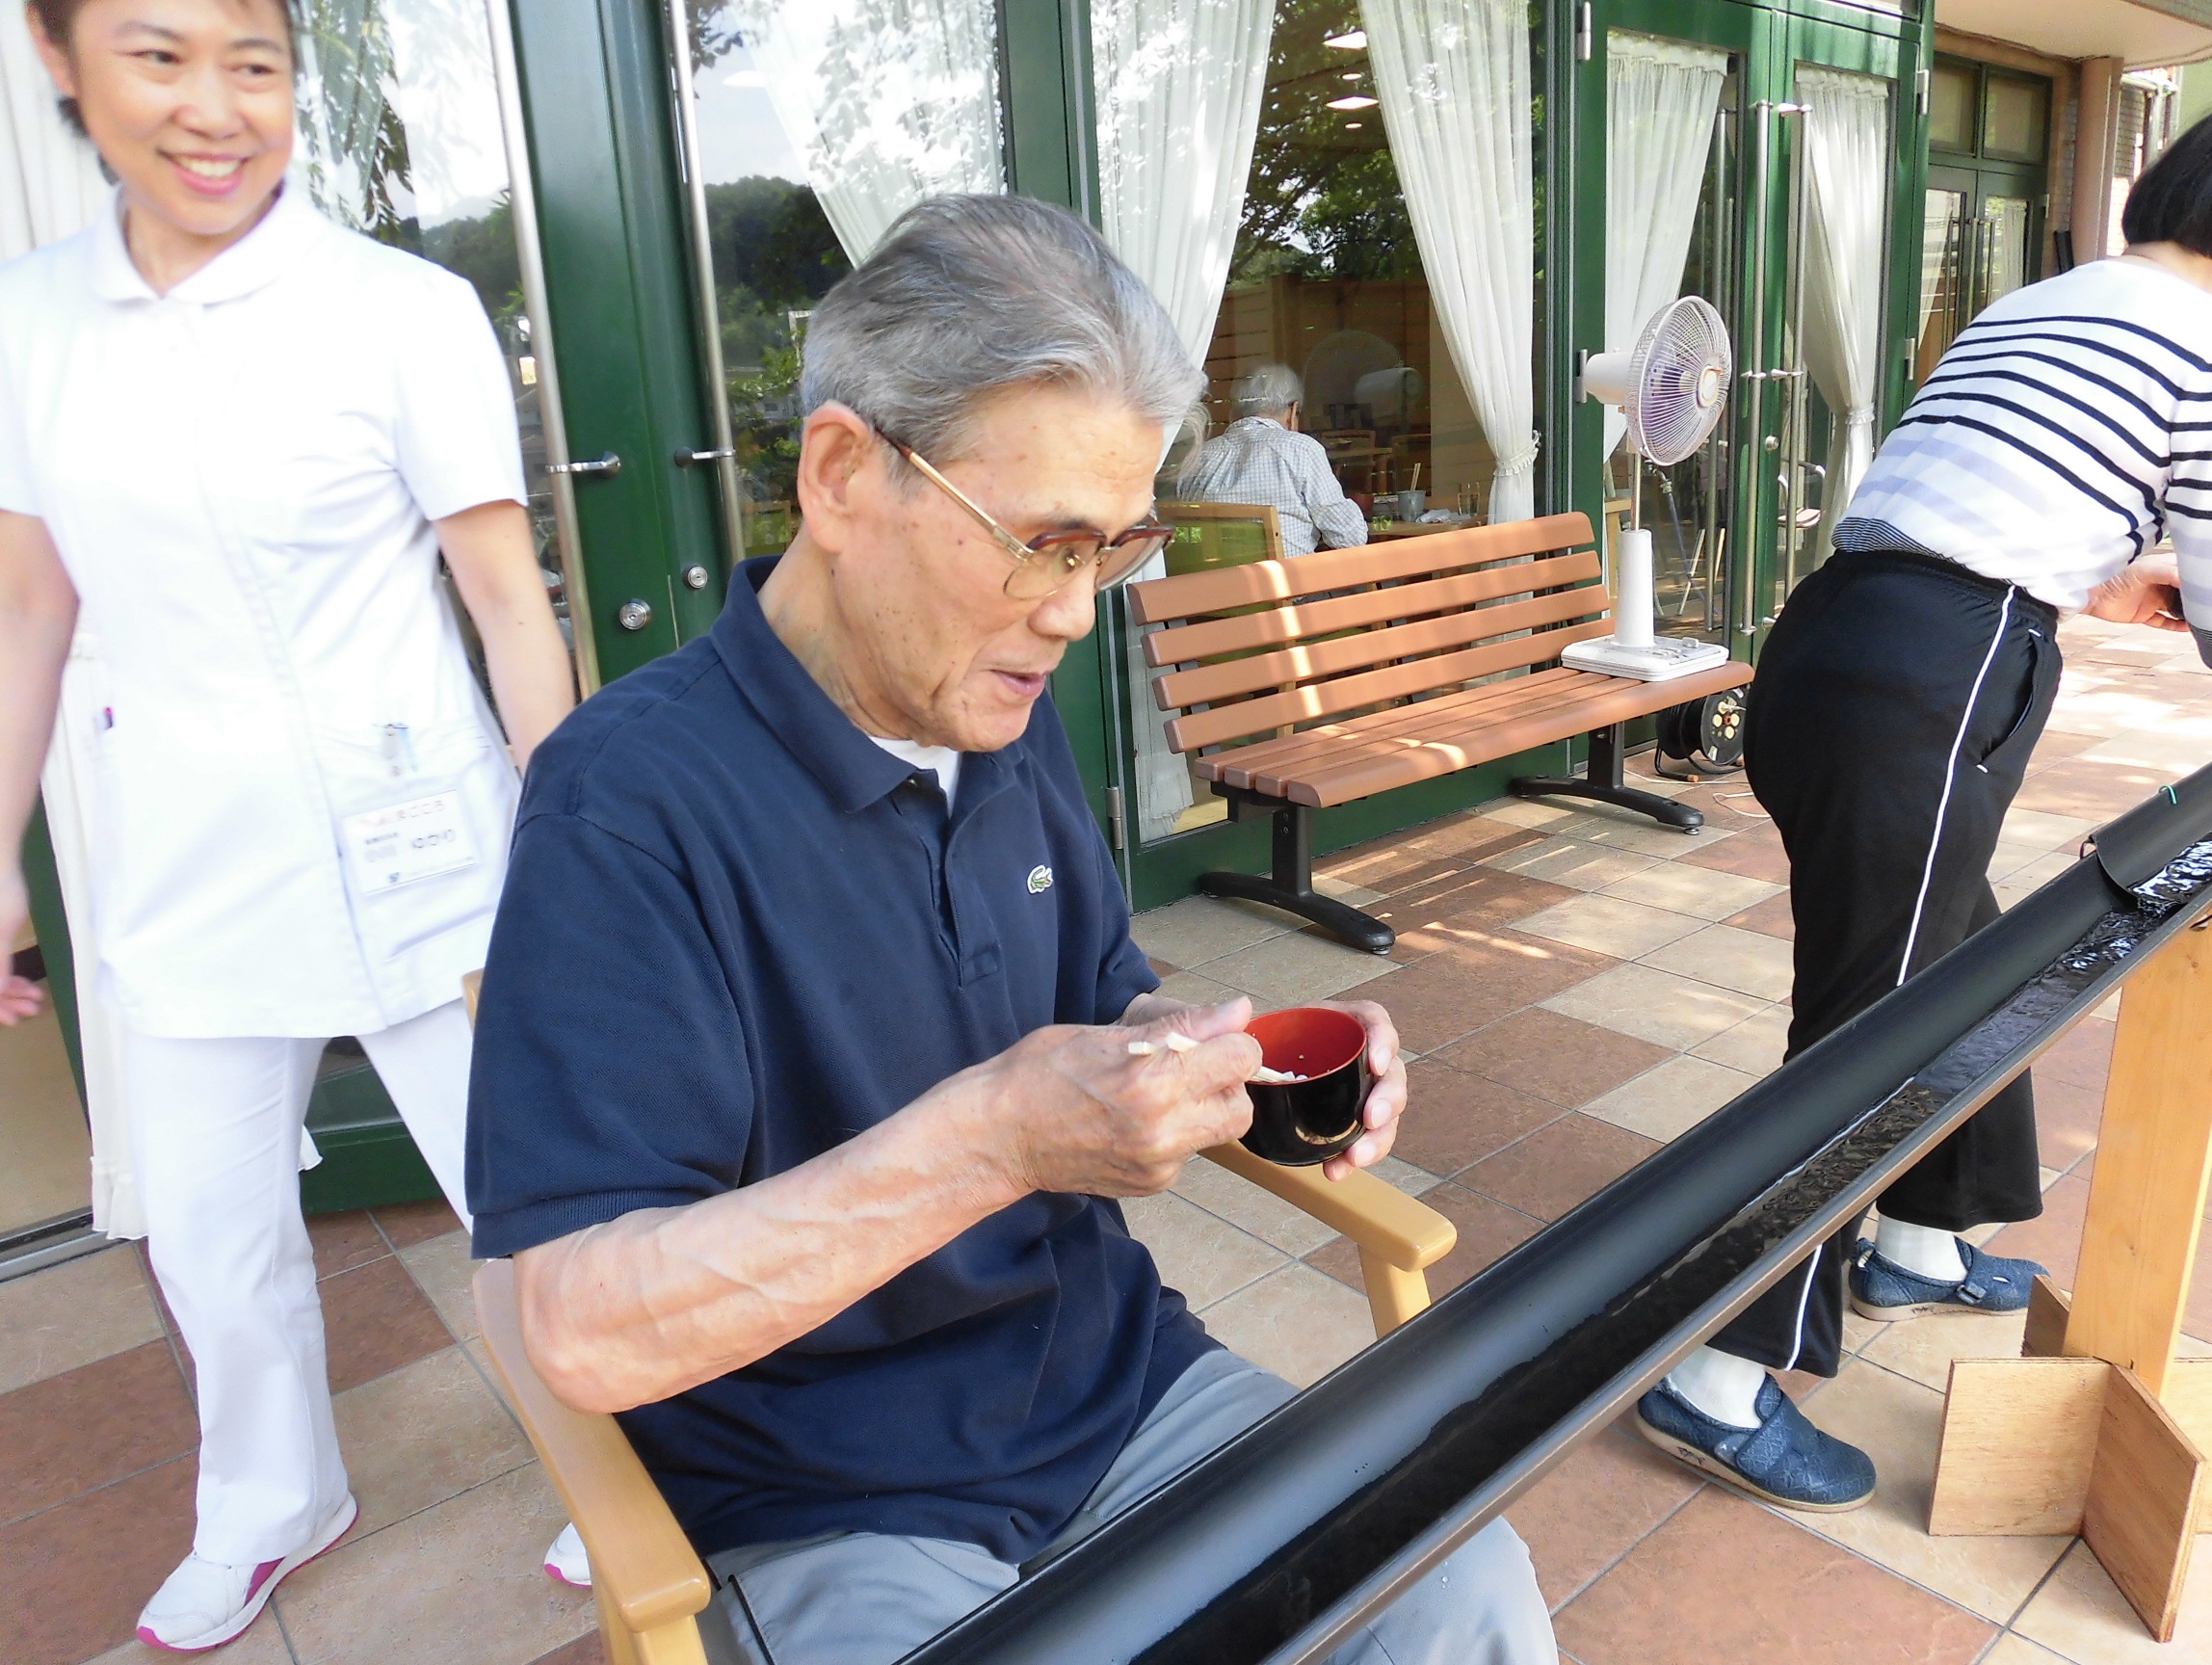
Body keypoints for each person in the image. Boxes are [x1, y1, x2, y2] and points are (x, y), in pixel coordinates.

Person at [465, 195, 1556, 1665]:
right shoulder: (626, 806)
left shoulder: (997, 711)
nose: (1075, 613)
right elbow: (580, 1322)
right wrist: (992, 1139)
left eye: (1113, 547)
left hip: (1120, 1393)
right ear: (842, 477)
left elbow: (1106, 1000)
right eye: (1043, 543)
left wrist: (1208, 1056)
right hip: (831, 1497)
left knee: (1461, 1593)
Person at [0, 0, 575, 1648]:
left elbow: (504, 599)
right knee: (206, 1221)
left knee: (533, 1192)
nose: (214, 106)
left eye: (253, 64)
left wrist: (575, 836)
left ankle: (628, 1462)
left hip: (427, 839)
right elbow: (28, 609)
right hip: (184, 853)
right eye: (159, 54)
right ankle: (270, 1498)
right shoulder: (28, 324)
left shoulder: (399, 311)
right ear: (60, 59)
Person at [1637, 111, 2212, 1510]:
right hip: (1935, 675)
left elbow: (2005, 503)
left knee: (1978, 964)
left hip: (1839, 637)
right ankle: (1715, 1376)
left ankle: (1920, 1233)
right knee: (1871, 1037)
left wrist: (2124, 575)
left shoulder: (2049, 299)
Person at [1181, 363, 1370, 555]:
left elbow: (1186, 535)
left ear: (1234, 412)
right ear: (1293, 410)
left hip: (1217, 575)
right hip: (1285, 575)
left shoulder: (1198, 458)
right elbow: (1350, 538)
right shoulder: (1301, 449)